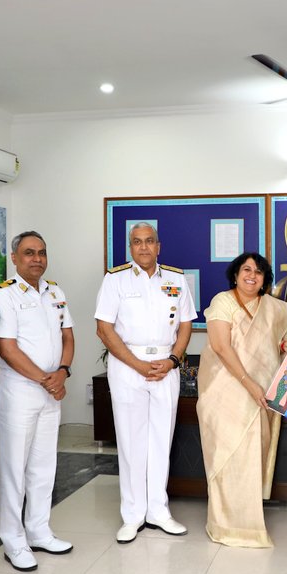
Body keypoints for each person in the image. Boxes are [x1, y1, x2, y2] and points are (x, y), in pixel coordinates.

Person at [95, 222, 196, 543]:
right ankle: (133, 515)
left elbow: (185, 326)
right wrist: (138, 364)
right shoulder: (115, 280)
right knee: (130, 441)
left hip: (166, 365)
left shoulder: (176, 279)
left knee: (160, 440)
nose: (143, 247)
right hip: (128, 366)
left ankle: (158, 511)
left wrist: (173, 361)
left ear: (158, 246)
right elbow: (104, 328)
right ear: (130, 247)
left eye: (149, 241)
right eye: (136, 242)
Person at [0, 231, 75, 571]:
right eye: (28, 253)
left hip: (52, 390)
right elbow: (7, 349)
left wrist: (63, 372)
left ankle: (38, 530)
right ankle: (13, 539)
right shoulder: (3, 296)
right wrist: (46, 380)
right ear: (15, 258)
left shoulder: (55, 291)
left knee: (43, 465)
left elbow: (68, 336)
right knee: (13, 468)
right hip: (19, 392)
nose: (36, 258)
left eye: (41, 252)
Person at [197, 252, 287, 547]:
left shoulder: (272, 308)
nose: (252, 275)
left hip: (260, 393)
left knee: (251, 455)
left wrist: (284, 344)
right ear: (236, 274)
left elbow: (273, 345)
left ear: (265, 279)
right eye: (246, 270)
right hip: (224, 390)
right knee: (226, 455)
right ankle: (224, 525)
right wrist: (248, 384)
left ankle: (250, 523)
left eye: (259, 272)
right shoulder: (222, 302)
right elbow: (221, 347)